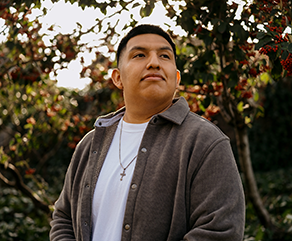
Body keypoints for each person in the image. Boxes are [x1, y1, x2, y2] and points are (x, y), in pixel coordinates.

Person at [50, 24, 245, 241]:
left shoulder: (204, 142)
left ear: (177, 78)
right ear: (117, 78)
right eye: (140, 55)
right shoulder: (91, 144)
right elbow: (63, 217)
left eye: (164, 56)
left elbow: (220, 231)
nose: (154, 63)